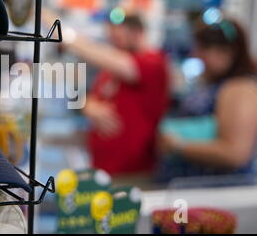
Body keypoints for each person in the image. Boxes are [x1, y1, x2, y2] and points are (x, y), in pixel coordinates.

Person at [63, 10, 169, 175]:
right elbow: (92, 98)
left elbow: (109, 59)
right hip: (103, 168)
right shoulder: (111, 71)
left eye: (118, 37)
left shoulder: (152, 62)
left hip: (133, 169)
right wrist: (89, 107)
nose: (114, 43)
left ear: (137, 33)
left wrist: (64, 35)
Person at [157, 13, 257, 181]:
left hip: (215, 192)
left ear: (227, 52)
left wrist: (178, 146)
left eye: (202, 49)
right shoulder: (219, 85)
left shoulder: (239, 88)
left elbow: (236, 153)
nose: (196, 55)